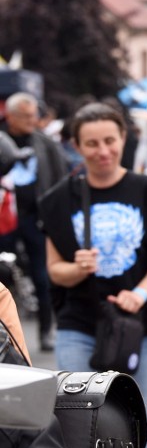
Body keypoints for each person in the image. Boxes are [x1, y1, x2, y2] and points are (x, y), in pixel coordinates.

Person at [39, 102, 147, 448]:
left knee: (140, 440)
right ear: (76, 146)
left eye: (110, 141)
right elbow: (55, 272)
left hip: (139, 328)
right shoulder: (57, 199)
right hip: (79, 325)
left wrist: (142, 294)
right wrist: (77, 268)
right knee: (78, 434)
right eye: (92, 143)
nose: (103, 151)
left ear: (124, 139)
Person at [0, 92, 67, 351]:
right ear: (11, 117)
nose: (32, 120)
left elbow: (60, 179)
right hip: (4, 219)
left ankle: (46, 329)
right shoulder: (2, 139)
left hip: (35, 220)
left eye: (34, 115)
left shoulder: (45, 144)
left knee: (42, 275)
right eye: (26, 116)